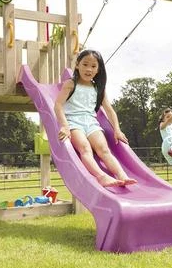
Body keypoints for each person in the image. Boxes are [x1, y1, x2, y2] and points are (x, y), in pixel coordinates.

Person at [54, 49, 137, 188]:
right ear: (77, 65)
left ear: (98, 70)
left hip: (91, 123)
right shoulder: (71, 84)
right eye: (85, 64)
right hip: (73, 122)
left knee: (104, 149)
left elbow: (109, 110)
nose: (89, 69)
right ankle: (101, 177)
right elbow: (58, 105)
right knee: (85, 148)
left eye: (93, 66)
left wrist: (117, 129)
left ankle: (122, 175)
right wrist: (65, 126)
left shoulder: (98, 88)